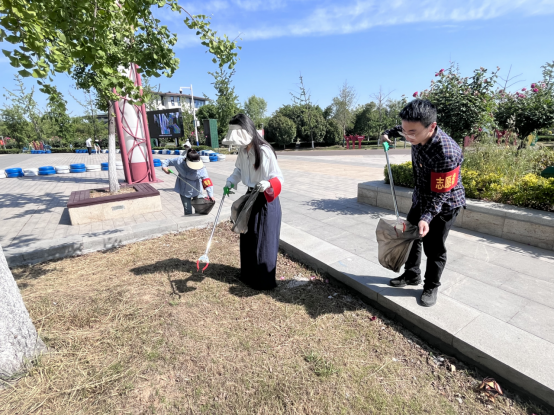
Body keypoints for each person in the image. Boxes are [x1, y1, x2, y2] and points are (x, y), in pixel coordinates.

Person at [380, 99, 465, 307]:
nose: (407, 137)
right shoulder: (414, 130)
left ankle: (431, 285)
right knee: (411, 237)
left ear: (431, 127)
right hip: (421, 197)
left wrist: (426, 218)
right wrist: (387, 134)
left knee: (434, 248)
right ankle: (411, 275)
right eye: (405, 131)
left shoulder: (446, 152)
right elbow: (401, 129)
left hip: (445, 204)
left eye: (412, 133)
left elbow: (441, 195)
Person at [223, 114, 284, 291]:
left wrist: (268, 184)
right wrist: (231, 181)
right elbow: (238, 170)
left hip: (265, 199)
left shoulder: (264, 151)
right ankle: (248, 275)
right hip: (250, 196)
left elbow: (278, 177)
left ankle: (263, 281)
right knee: (248, 237)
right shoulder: (243, 151)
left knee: (263, 239)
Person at [161, 150, 214, 215]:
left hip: (197, 189)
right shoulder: (179, 161)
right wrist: (164, 167)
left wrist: (210, 195)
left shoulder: (202, 167)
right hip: (184, 189)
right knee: (188, 210)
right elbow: (167, 161)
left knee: (199, 209)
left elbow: (206, 180)